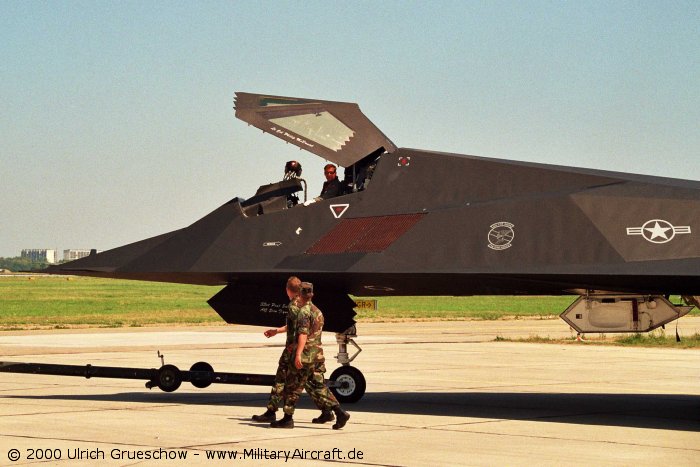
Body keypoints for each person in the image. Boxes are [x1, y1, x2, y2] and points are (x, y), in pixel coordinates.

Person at [251, 277, 337, 425]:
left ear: (288, 290)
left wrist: (297, 352)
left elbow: (301, 332)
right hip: (312, 352)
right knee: (312, 383)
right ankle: (328, 411)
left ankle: (276, 413)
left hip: (295, 351)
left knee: (284, 381)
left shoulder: (295, 307)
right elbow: (295, 327)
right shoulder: (313, 309)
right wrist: (276, 331)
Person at [271, 282, 350, 429]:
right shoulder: (318, 311)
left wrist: (298, 354)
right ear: (311, 294)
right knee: (318, 385)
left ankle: (287, 419)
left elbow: (303, 334)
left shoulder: (303, 312)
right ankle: (340, 412)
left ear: (299, 294)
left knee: (292, 386)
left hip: (305, 355)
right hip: (317, 355)